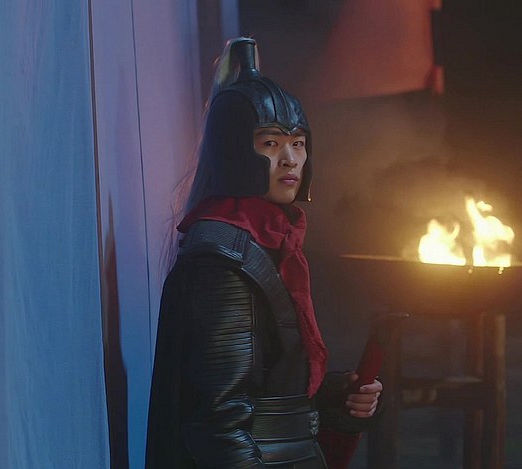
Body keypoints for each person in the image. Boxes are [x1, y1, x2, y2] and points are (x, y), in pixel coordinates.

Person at [146, 38, 382, 468]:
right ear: (236, 151)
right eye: (270, 144)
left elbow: (262, 389)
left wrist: (332, 395)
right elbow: (218, 422)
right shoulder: (223, 260)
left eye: (297, 143)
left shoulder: (269, 241)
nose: (290, 159)